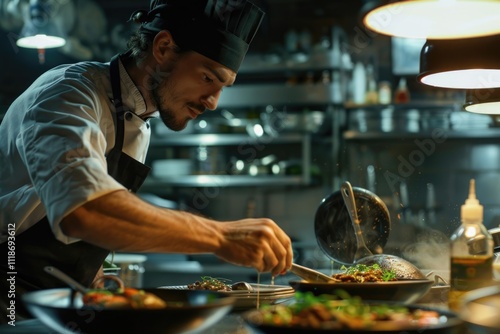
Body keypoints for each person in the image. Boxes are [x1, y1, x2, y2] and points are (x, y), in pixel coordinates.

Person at [0, 0, 293, 322]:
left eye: (223, 87)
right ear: (164, 48)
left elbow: (90, 219)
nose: (213, 102)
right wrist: (221, 237)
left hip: (58, 305)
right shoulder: (68, 95)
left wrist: (97, 273)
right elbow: (83, 211)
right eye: (209, 78)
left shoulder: (140, 122)